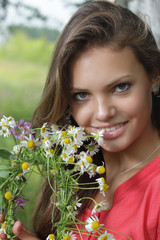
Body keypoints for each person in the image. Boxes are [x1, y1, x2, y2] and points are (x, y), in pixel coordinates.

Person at [1, 0, 160, 239]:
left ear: (154, 77)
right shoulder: (78, 173)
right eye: (82, 95)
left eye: (120, 87)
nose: (103, 112)